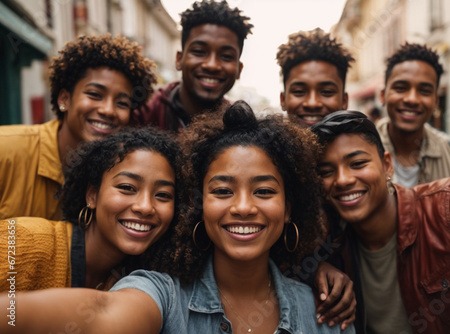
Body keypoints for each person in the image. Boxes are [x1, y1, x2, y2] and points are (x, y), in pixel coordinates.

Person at [0, 101, 355, 334]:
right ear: (198, 204)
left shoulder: (327, 317)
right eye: (222, 190)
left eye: (263, 191)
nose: (244, 207)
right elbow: (100, 311)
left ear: (289, 207)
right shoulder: (163, 294)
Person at [311, 110, 450, 333]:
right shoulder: (330, 246)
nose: (343, 180)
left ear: (387, 165)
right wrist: (314, 270)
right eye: (326, 172)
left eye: (358, 163)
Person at [0, 127, 181, 291]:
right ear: (92, 195)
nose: (145, 207)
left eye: (163, 195)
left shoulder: (146, 280)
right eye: (127, 187)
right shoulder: (21, 241)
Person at [0, 34, 157, 220]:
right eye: (94, 94)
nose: (108, 110)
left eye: (122, 103)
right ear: (64, 99)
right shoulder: (6, 149)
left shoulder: (123, 175)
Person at [377, 42, 450, 187]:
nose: (412, 99)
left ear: (436, 101)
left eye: (424, 91)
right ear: (383, 95)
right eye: (401, 88)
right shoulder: (357, 156)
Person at [132, 0, 253, 132]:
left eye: (226, 56)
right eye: (199, 52)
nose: (212, 65)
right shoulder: (142, 114)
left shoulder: (240, 128)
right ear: (179, 60)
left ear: (239, 70)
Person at [276, 28, 354, 127]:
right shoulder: (261, 142)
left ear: (344, 101)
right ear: (283, 100)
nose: (312, 103)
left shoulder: (368, 142)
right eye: (299, 91)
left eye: (327, 92)